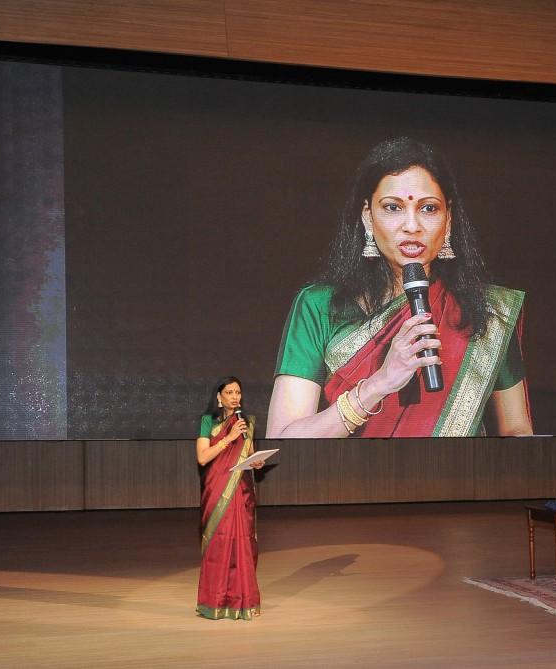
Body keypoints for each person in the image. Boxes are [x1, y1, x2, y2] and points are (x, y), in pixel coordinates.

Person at [267, 137, 532, 438]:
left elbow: (517, 432)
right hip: (346, 483)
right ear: (368, 216)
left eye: (428, 209)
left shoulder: (488, 310)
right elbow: (283, 441)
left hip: (462, 483)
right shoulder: (319, 307)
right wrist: (379, 383)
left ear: (448, 220)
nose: (412, 225)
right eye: (393, 207)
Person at [195, 376, 265, 620]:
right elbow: (203, 458)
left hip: (241, 491)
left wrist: (257, 462)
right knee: (219, 543)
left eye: (238, 392)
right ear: (219, 396)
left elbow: (249, 454)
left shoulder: (247, 423)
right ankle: (213, 601)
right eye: (230, 392)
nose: (235, 397)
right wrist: (228, 438)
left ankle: (242, 602)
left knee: (243, 544)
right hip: (217, 489)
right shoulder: (208, 422)